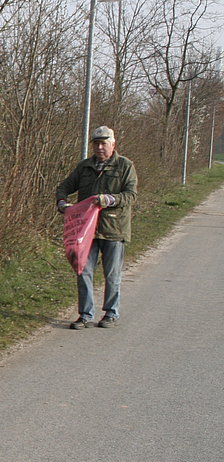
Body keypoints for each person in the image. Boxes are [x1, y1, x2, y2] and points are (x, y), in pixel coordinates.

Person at [56, 126, 138, 329]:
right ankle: (85, 314)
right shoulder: (84, 167)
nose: (99, 147)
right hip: (86, 230)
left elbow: (131, 196)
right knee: (82, 270)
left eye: (103, 143)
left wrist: (108, 199)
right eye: (96, 143)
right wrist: (62, 203)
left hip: (114, 229)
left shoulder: (125, 166)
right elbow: (64, 186)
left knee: (112, 274)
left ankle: (111, 312)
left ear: (113, 144)